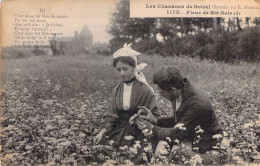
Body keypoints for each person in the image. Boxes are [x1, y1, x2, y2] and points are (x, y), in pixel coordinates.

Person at [136, 66, 229, 165]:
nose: (162, 95)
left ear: (173, 89)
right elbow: (182, 120)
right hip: (198, 144)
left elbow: (177, 134)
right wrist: (156, 120)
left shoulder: (197, 104)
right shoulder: (184, 92)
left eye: (162, 92)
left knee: (168, 152)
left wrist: (151, 128)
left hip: (212, 152)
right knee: (165, 149)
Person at [93, 43, 159, 163]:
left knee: (134, 158)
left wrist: (144, 122)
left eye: (125, 69)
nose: (122, 73)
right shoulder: (117, 90)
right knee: (100, 153)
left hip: (139, 134)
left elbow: (155, 116)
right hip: (119, 132)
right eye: (118, 70)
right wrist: (102, 132)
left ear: (134, 68)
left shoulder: (145, 90)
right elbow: (110, 115)